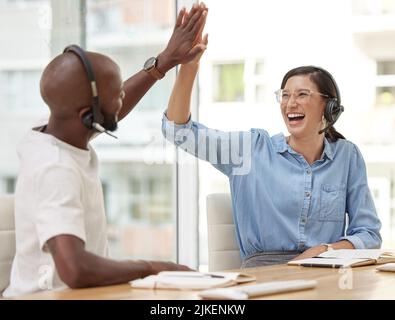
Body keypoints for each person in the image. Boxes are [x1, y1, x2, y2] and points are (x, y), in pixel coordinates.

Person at [3, 3, 209, 297]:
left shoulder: (54, 129)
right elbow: (75, 270)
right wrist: (153, 267)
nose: (122, 97)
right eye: (116, 95)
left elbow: (112, 110)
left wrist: (165, 62)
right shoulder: (55, 168)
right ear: (87, 115)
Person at [162, 23, 382, 268]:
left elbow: (369, 233)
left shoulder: (347, 156)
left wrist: (324, 250)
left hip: (325, 273)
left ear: (329, 108)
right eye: (285, 95)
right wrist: (189, 67)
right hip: (266, 275)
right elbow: (179, 132)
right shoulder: (250, 150)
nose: (290, 104)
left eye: (302, 94)